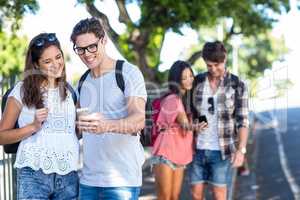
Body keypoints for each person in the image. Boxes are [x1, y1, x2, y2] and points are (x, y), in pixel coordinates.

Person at [70, 18, 147, 200]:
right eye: (80, 49)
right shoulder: (82, 82)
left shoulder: (127, 72)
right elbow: (78, 129)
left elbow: (138, 121)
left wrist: (107, 125)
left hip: (122, 182)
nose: (86, 54)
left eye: (92, 46)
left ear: (103, 40)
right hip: (88, 180)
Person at [0, 33, 79, 199]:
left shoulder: (70, 91)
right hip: (33, 175)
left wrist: (84, 126)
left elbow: (74, 132)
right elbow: (1, 136)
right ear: (36, 64)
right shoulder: (21, 91)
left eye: (58, 57)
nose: (56, 64)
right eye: (47, 61)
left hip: (68, 176)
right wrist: (33, 126)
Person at [189, 41, 249, 200]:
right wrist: (192, 124)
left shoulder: (238, 85)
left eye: (217, 64)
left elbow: (242, 120)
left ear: (225, 59)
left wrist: (241, 150)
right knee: (196, 196)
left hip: (222, 151)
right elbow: (189, 110)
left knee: (219, 196)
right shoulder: (197, 81)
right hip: (197, 149)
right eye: (209, 65)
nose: (213, 69)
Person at [150, 60, 207, 200]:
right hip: (165, 155)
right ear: (176, 80)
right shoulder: (173, 99)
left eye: (190, 76)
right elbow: (185, 124)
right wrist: (196, 127)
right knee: (165, 197)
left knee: (174, 197)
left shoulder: (185, 99)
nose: (189, 80)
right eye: (184, 77)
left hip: (179, 155)